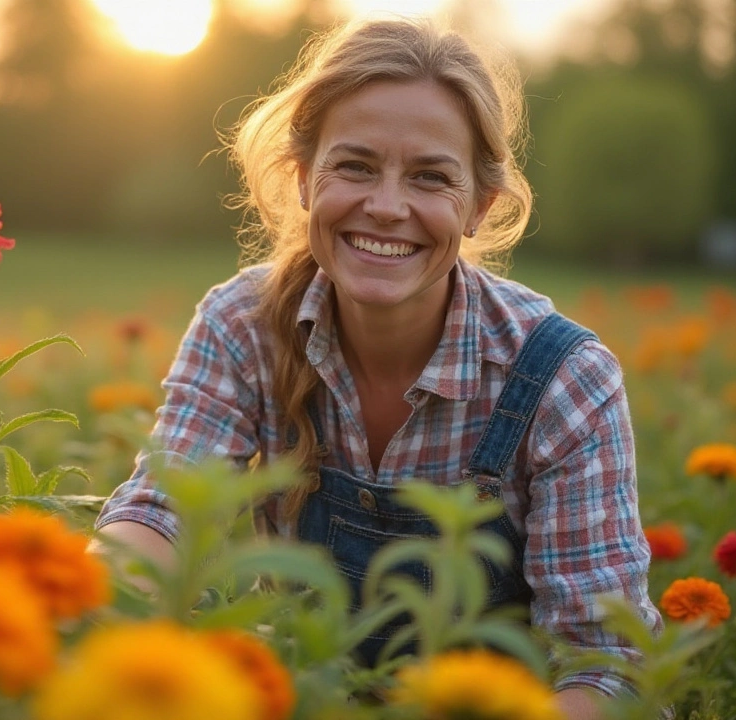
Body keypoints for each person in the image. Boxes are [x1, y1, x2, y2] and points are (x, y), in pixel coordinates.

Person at [91, 16, 663, 720]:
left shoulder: (562, 379)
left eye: (429, 177)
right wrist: (87, 607)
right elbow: (160, 512)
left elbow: (605, 666)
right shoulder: (243, 327)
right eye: (355, 166)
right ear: (304, 180)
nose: (387, 207)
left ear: (479, 206)